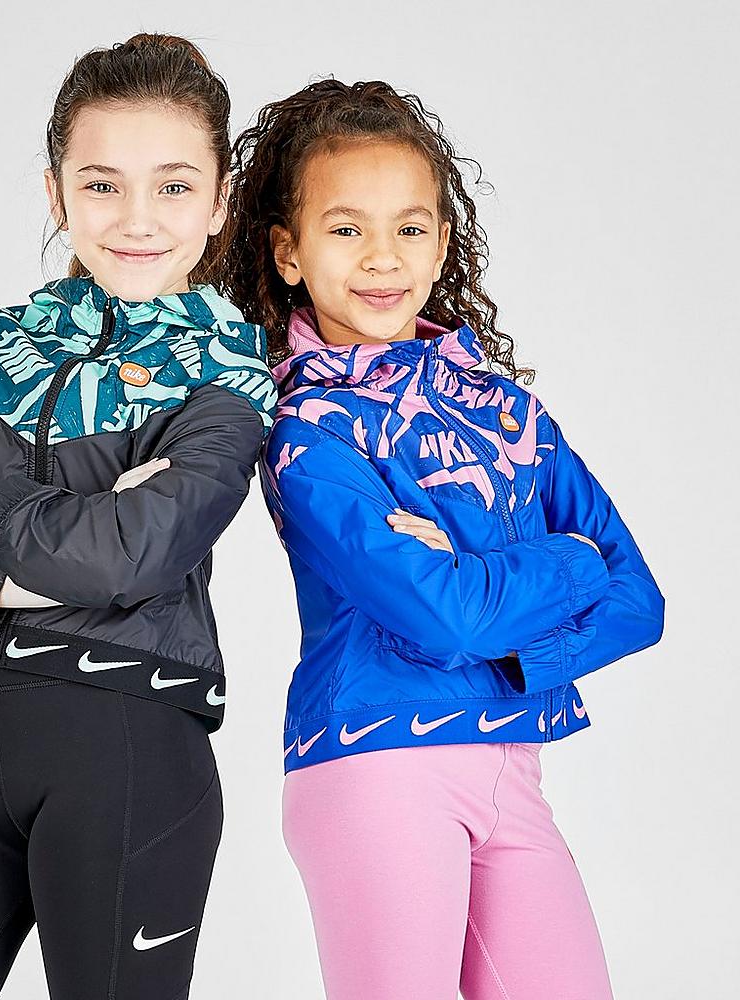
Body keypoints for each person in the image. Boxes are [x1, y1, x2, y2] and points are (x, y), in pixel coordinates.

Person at [0, 34, 275, 1000]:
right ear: (56, 194)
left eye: (174, 186)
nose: (137, 219)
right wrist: (6, 580)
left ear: (219, 202)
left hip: (127, 761)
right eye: (102, 184)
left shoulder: (230, 373)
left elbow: (127, 556)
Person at [223, 78, 663, 1000]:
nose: (382, 257)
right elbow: (446, 615)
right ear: (289, 251)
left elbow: (639, 601)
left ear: (441, 243)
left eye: (409, 228)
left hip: (515, 769)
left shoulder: (506, 410)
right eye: (346, 229)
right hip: (376, 763)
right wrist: (569, 561)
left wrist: (511, 628)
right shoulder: (309, 431)